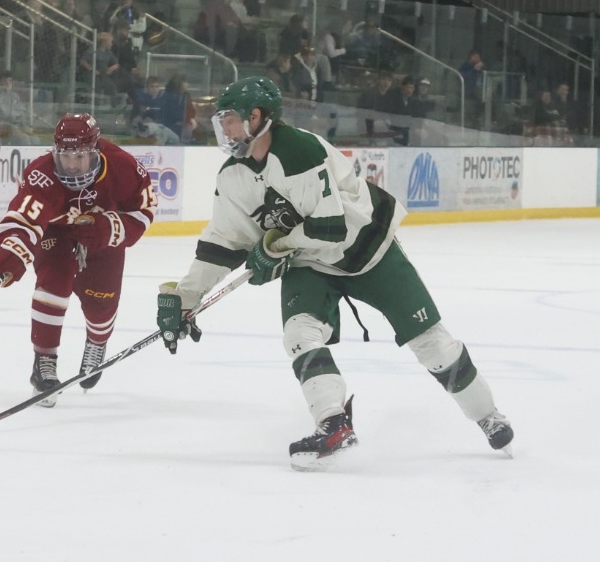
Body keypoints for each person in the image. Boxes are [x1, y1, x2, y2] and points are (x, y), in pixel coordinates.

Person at [154, 76, 512, 468]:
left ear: (257, 118)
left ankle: (488, 415)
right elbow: (223, 243)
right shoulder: (232, 175)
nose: (224, 128)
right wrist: (186, 297)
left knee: (432, 344)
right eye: (221, 120)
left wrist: (274, 248)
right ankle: (333, 423)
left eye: (231, 120)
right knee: (300, 334)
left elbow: (329, 229)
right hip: (310, 262)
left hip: (368, 252)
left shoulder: (299, 151)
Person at [0, 114, 154, 401]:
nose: (72, 165)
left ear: (96, 151)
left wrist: (109, 228)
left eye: (80, 157)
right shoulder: (41, 173)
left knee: (101, 300)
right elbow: (23, 218)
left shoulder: (124, 167)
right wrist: (11, 251)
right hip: (56, 232)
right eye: (65, 156)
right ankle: (44, 361)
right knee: (53, 283)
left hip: (101, 233)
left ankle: (97, 343)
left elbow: (143, 211)